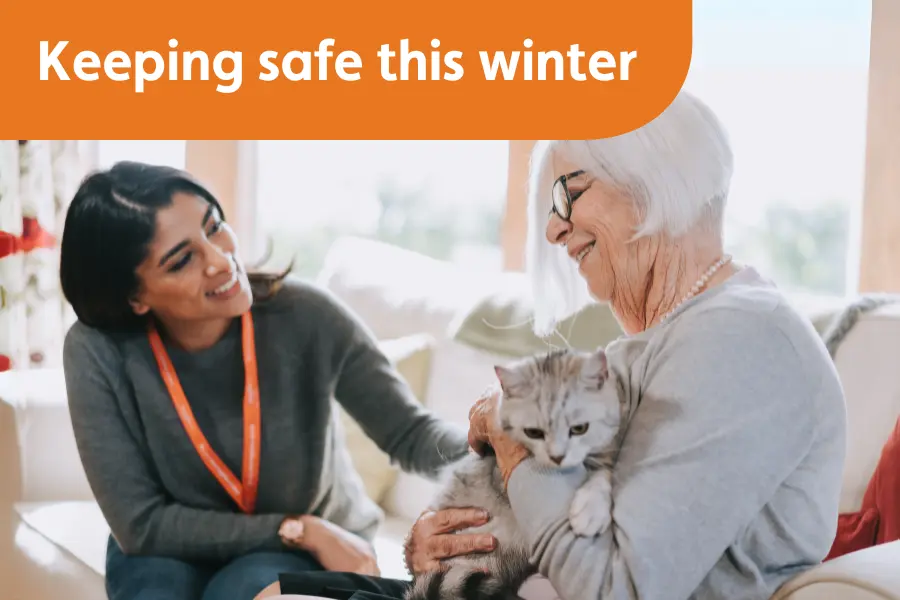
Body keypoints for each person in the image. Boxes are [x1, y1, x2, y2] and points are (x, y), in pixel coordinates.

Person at [262, 90, 847, 600]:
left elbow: (617, 588)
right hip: (516, 585)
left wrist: (511, 445)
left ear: (651, 180)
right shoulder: (663, 339)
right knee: (278, 591)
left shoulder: (742, 337)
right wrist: (436, 547)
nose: (552, 229)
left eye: (569, 193)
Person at [58, 161, 471, 600]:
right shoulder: (96, 351)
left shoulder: (307, 316)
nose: (220, 260)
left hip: (311, 543)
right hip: (176, 542)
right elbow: (141, 525)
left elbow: (411, 434)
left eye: (213, 226)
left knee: (242, 592)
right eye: (182, 260)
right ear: (135, 297)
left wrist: (503, 442)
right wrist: (299, 529)